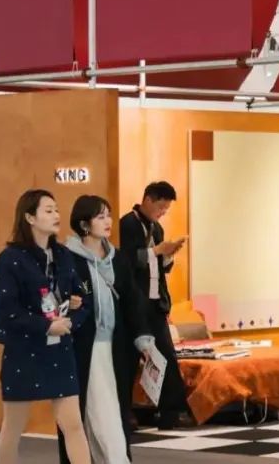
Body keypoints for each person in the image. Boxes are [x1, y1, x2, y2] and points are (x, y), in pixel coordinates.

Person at [0, 190, 91, 464]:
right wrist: (46, 326)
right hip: (24, 350)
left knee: (73, 424)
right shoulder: (10, 259)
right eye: (48, 210)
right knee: (13, 426)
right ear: (29, 217)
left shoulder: (64, 255)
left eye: (56, 210)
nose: (56, 215)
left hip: (60, 350)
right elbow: (6, 312)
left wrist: (72, 319)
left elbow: (84, 297)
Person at [59, 195, 156, 464]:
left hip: (116, 348)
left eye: (109, 215)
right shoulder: (68, 259)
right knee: (94, 413)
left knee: (114, 410)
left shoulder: (117, 258)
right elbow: (60, 297)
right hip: (83, 349)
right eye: (100, 217)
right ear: (84, 224)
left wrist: (143, 339)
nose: (108, 221)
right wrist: (70, 302)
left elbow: (132, 301)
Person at [118, 181, 189, 429]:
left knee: (167, 356)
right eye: (160, 207)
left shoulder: (156, 228)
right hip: (134, 303)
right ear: (147, 199)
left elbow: (160, 267)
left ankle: (172, 412)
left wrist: (168, 254)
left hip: (156, 302)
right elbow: (127, 261)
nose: (162, 213)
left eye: (166, 209)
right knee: (128, 360)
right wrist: (157, 250)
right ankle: (124, 413)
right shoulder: (127, 224)